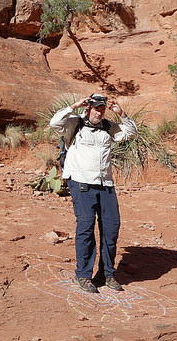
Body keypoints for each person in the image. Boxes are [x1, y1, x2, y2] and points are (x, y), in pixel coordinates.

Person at [49, 93, 138, 293]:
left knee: (111, 228)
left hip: (105, 183)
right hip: (81, 182)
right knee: (86, 226)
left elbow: (130, 133)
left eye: (102, 108)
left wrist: (121, 113)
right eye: (96, 108)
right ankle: (83, 275)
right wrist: (74, 105)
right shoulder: (75, 123)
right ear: (88, 108)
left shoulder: (108, 126)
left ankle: (106, 274)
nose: (99, 112)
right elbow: (55, 123)